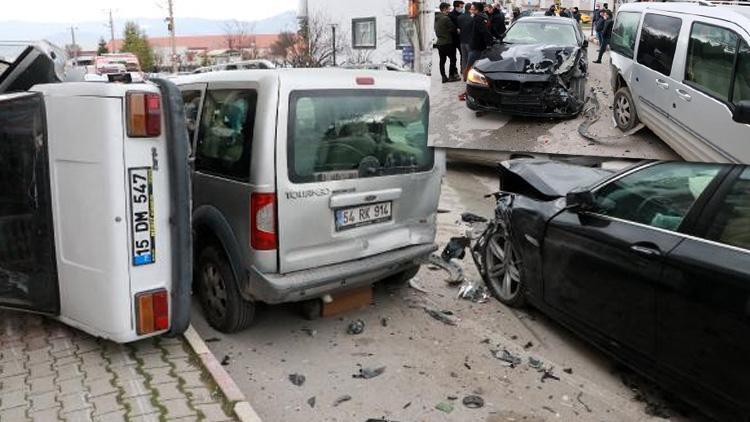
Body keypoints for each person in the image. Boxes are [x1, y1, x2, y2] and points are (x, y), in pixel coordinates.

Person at [435, 3, 459, 83]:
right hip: (447, 42)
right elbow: (453, 28)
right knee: (453, 59)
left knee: (442, 61)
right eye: (448, 9)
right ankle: (451, 76)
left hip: (439, 43)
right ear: (444, 9)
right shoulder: (446, 18)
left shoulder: (436, 18)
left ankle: (443, 77)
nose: (449, 11)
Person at [467, 2, 493, 72]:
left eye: (472, 9)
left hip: (477, 47)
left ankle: (469, 81)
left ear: (477, 10)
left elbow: (485, 31)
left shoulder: (478, 18)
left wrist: (489, 44)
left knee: (470, 67)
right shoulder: (484, 16)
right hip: (478, 46)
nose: (471, 11)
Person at [457, 2, 475, 77]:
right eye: (472, 9)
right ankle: (469, 74)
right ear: (470, 9)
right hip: (469, 41)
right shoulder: (472, 17)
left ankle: (464, 74)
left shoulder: (460, 17)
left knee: (464, 58)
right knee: (470, 59)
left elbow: (459, 29)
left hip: (462, 41)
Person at [448, 1, 465, 80]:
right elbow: (449, 27)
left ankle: (463, 69)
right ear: (456, 7)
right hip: (452, 39)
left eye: (462, 7)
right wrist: (456, 29)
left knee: (463, 54)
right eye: (461, 7)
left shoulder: (462, 14)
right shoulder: (450, 15)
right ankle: (454, 72)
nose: (462, 8)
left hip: (461, 39)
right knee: (453, 57)